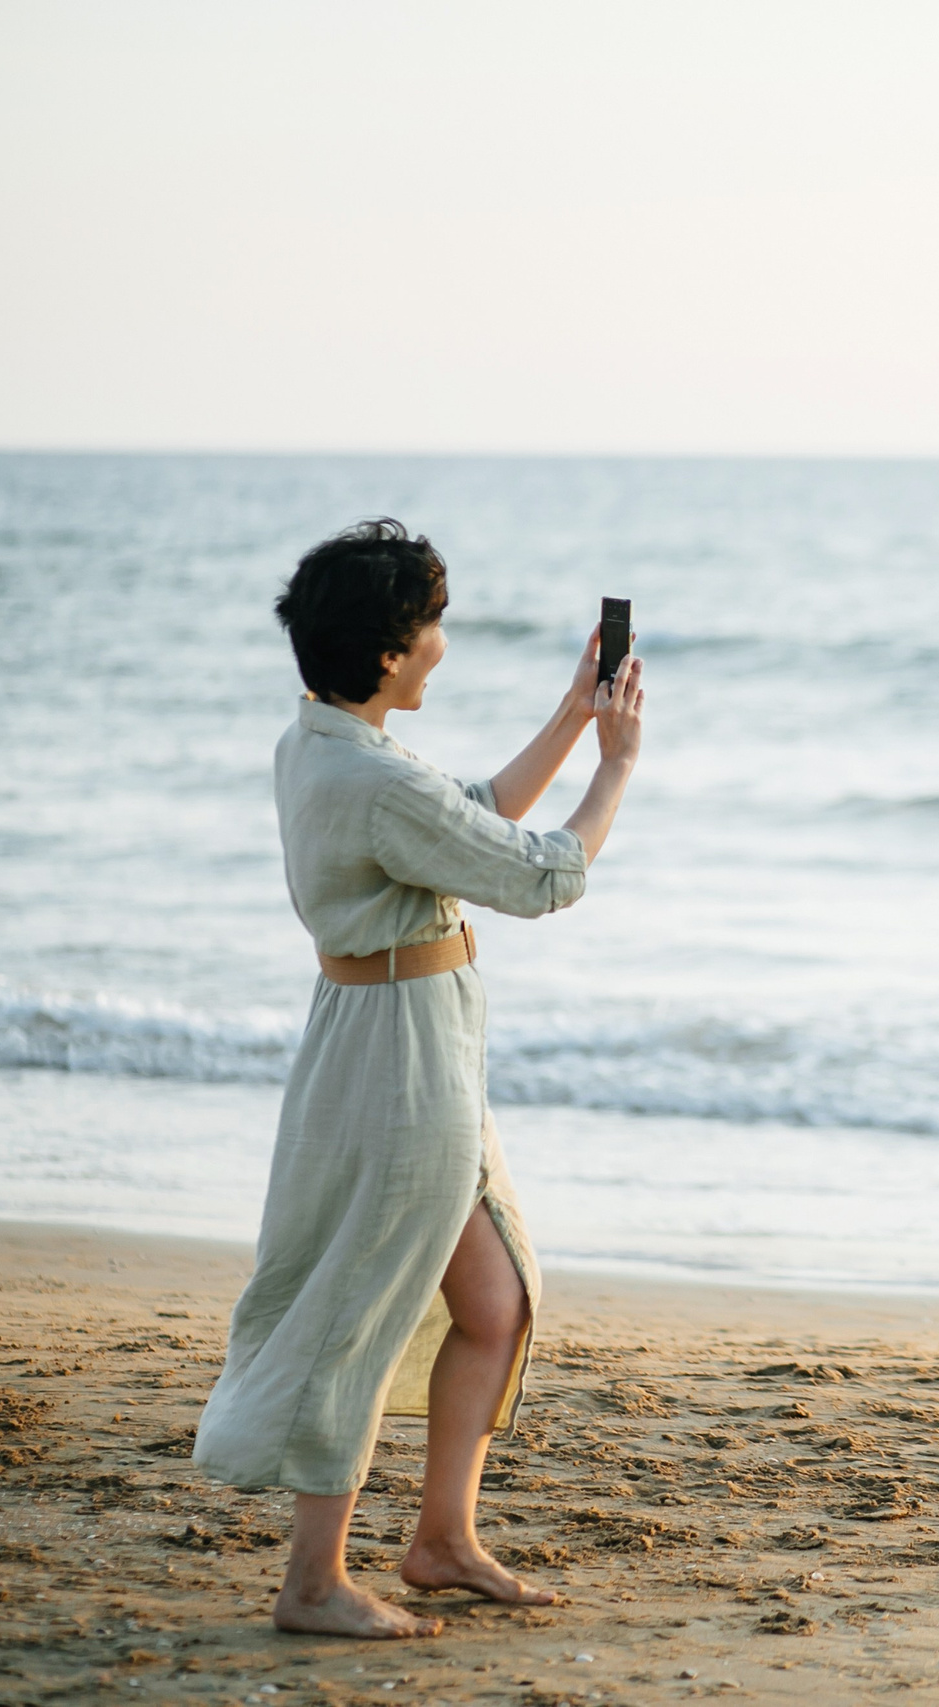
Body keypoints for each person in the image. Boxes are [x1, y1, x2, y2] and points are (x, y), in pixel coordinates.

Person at [193, 519, 647, 1638]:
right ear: (389, 654)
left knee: (493, 1305)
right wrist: (618, 767)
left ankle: (441, 1539)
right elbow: (539, 877)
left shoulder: (327, 744)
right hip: (396, 1056)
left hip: (406, 1036)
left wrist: (571, 715)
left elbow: (474, 815)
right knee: (364, 1301)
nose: (443, 644)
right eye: (431, 628)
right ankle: (313, 1582)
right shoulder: (362, 774)